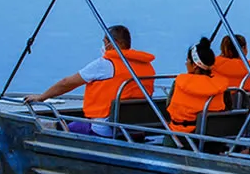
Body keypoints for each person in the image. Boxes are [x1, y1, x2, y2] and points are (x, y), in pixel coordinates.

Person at [23, 25, 156, 137]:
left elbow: (67, 83)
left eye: (105, 42)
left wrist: (42, 97)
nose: (104, 46)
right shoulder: (145, 65)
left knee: (65, 126)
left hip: (106, 128)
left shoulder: (105, 64)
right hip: (135, 129)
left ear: (115, 43)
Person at [166, 38, 226, 147]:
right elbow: (227, 107)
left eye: (187, 60)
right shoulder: (221, 86)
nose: (186, 63)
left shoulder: (180, 82)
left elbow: (169, 106)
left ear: (194, 65)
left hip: (183, 137)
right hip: (214, 139)